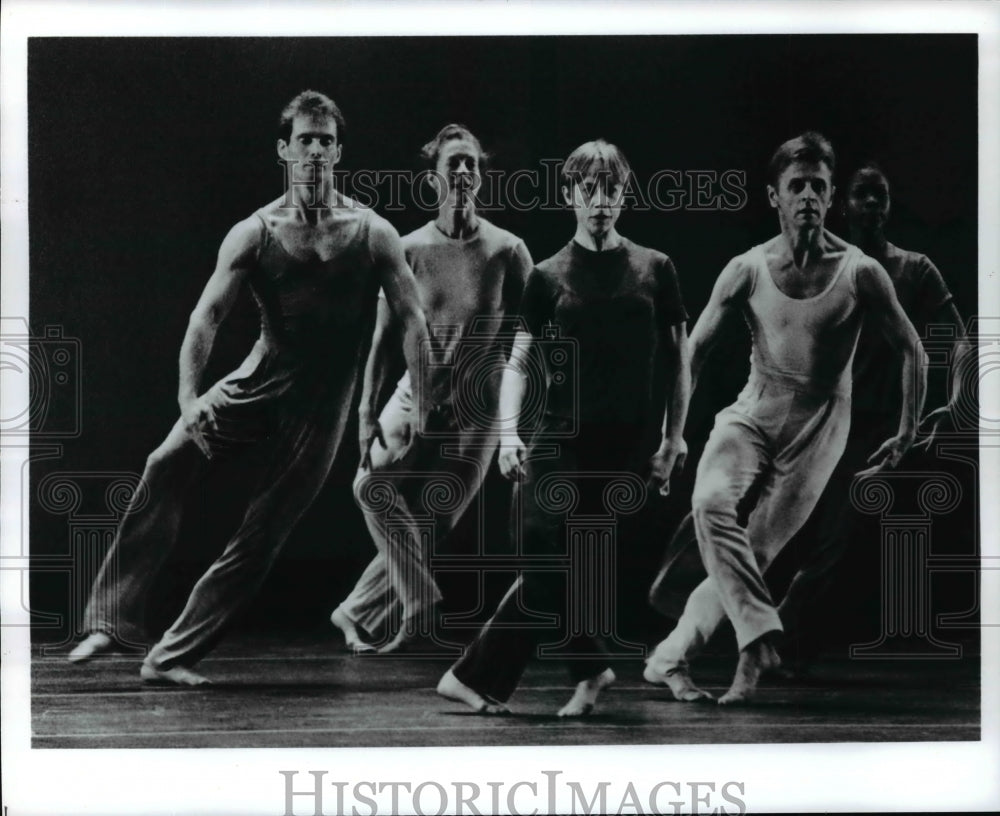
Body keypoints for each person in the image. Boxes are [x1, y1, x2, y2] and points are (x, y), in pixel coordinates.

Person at [67, 90, 430, 685]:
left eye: (327, 141)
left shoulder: (374, 233)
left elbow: (412, 319)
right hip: (258, 382)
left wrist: (424, 398)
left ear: (339, 153)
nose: (315, 151)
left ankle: (170, 656)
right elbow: (204, 319)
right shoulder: (255, 232)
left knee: (262, 533)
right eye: (305, 140)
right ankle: (112, 617)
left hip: (322, 407)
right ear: (283, 150)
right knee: (165, 462)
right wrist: (190, 401)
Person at [644, 133, 927, 705]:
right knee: (708, 504)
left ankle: (671, 658)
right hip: (753, 411)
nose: (808, 197)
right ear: (774, 196)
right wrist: (673, 437)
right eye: (795, 186)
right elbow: (691, 353)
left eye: (819, 187)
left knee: (758, 549)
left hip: (821, 427)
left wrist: (907, 431)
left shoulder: (860, 271)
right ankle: (758, 643)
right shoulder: (747, 268)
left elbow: (912, 351)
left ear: (831, 196)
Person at [436, 139, 691, 716]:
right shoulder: (548, 276)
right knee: (540, 546)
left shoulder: (656, 269)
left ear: (624, 195)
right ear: (570, 194)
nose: (600, 201)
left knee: (566, 568)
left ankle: (482, 677)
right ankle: (589, 668)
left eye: (611, 189)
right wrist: (507, 433)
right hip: (558, 437)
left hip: (622, 447)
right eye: (588, 189)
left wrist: (673, 438)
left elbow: (679, 361)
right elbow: (518, 363)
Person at [329, 124, 533, 653]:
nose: (463, 172)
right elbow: (381, 339)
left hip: (477, 409)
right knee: (369, 488)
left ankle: (353, 611)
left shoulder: (509, 251)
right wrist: (364, 413)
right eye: (453, 164)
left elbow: (534, 337)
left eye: (472, 163)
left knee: (430, 523)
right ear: (434, 178)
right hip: (412, 394)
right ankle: (419, 606)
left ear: (481, 177)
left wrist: (513, 423)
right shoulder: (407, 248)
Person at [774, 162, 972, 670]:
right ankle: (786, 644)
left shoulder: (914, 269)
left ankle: (780, 640)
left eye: (879, 196)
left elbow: (959, 342)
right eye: (862, 195)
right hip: (816, 425)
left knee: (838, 540)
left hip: (877, 432)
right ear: (845, 203)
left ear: (888, 205)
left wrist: (954, 402)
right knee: (806, 538)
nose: (871, 205)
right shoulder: (826, 265)